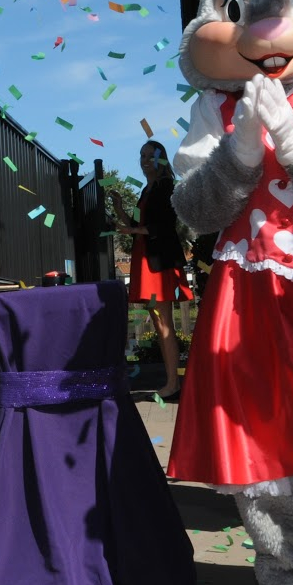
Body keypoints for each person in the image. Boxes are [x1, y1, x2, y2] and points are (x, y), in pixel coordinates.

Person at [117, 140, 192, 400]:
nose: (144, 160)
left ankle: (173, 384)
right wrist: (119, 209)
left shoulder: (166, 185)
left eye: (150, 155)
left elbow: (164, 225)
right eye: (141, 155)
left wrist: (133, 229)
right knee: (160, 323)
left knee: (163, 322)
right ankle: (171, 382)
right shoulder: (147, 189)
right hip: (146, 260)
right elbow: (138, 224)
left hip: (158, 263)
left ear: (161, 159)